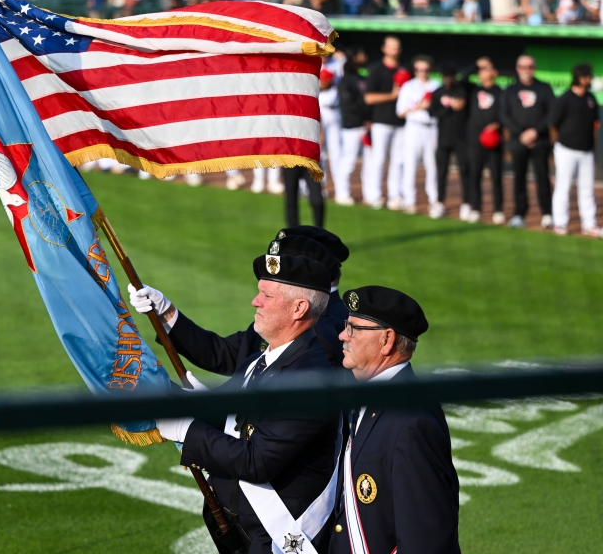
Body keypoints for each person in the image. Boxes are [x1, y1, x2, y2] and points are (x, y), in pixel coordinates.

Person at [157, 253, 339, 554]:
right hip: (244, 533)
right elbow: (236, 422)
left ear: (299, 308)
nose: (256, 301)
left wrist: (186, 430)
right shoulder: (260, 360)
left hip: (279, 540)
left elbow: (256, 462)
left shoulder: (309, 380)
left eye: (267, 295)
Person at [328, 286, 460, 554]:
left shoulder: (412, 421)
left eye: (353, 328)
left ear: (387, 340)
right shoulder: (373, 397)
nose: (342, 335)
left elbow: (425, 540)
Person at [128, 226, 353, 372]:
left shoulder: (326, 330)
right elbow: (223, 353)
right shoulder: (284, 314)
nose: (256, 301)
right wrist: (166, 312)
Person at [500, 55, 555, 230]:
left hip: (540, 141)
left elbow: (551, 114)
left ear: (534, 68)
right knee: (519, 178)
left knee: (542, 177)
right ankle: (519, 214)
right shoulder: (510, 90)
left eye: (530, 66)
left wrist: (535, 132)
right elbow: (504, 115)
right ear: (517, 68)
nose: (526, 70)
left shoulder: (544, 88)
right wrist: (521, 134)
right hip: (518, 141)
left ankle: (547, 213)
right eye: (523, 66)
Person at [549, 64, 601, 237]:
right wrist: (556, 146)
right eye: (587, 76)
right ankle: (560, 224)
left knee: (587, 189)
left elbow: (594, 126)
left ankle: (590, 224)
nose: (590, 79)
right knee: (563, 187)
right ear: (579, 78)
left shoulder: (591, 99)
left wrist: (592, 152)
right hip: (566, 150)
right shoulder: (565, 98)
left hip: (586, 152)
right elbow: (552, 124)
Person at [363, 36, 406, 210]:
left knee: (398, 161)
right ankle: (374, 196)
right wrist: (392, 95)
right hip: (380, 121)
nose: (395, 50)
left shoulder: (404, 70)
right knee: (378, 160)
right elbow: (368, 97)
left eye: (397, 47)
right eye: (392, 47)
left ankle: (394, 196)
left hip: (401, 122)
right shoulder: (376, 69)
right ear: (384, 49)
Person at [396, 55, 441, 217]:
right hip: (414, 128)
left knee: (432, 166)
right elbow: (400, 112)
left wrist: (430, 107)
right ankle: (409, 200)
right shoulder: (408, 86)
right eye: (419, 69)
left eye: (426, 69)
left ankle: (435, 200)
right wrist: (420, 107)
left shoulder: (436, 86)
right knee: (410, 165)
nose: (422, 72)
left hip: (432, 128)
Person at [429, 62, 470, 221]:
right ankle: (439, 202)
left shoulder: (462, 90)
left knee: (464, 171)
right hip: (443, 138)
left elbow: (467, 78)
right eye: (444, 77)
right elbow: (433, 112)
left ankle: (466, 203)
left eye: (450, 77)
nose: (447, 80)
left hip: (461, 138)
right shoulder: (438, 92)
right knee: (441, 172)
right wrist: (450, 107)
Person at [465, 58, 504, 225]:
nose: (482, 72)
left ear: (494, 73)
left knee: (496, 176)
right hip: (475, 140)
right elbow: (463, 78)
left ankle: (498, 209)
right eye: (480, 70)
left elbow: (506, 114)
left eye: (486, 69)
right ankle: (476, 208)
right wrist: (475, 64)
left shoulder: (501, 92)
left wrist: (497, 125)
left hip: (494, 140)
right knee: (475, 175)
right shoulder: (473, 90)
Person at [336, 47, 369, 206]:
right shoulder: (346, 79)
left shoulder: (360, 77)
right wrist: (363, 117)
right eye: (361, 54)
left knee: (368, 161)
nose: (364, 57)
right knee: (348, 160)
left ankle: (369, 194)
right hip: (352, 125)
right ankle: (342, 193)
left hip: (364, 124)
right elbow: (349, 104)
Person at [319, 51, 346, 203]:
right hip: (318, 109)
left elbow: (343, 58)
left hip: (334, 111)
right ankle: (319, 188)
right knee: (318, 152)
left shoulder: (336, 64)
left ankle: (341, 191)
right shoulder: (312, 63)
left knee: (337, 153)